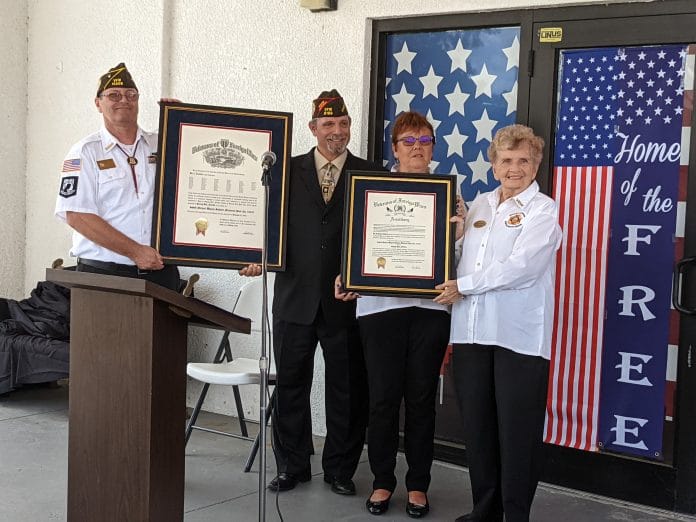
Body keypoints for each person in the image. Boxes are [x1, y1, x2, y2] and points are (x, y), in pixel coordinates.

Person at [240, 89, 382, 495]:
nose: (337, 132)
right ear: (313, 128)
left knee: (347, 390)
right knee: (289, 387)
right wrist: (253, 255)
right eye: (329, 124)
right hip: (294, 299)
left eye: (343, 123)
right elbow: (260, 223)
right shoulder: (283, 170)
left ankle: (340, 470)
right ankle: (292, 465)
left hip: (346, 303)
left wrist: (363, 279)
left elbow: (377, 240)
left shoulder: (371, 173)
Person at [336, 111, 463, 518]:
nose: (417, 149)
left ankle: (418, 484)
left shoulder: (451, 197)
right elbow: (355, 243)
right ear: (394, 148)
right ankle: (383, 480)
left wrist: (457, 237)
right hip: (379, 310)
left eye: (425, 142)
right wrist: (348, 274)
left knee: (422, 400)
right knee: (383, 400)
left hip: (429, 310)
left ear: (433, 148)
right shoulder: (371, 190)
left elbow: (459, 259)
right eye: (408, 141)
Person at [435, 124, 562, 522]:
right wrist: (451, 241)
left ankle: (514, 514)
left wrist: (465, 286)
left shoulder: (544, 210)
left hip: (518, 338)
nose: (514, 168)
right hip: (471, 334)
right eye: (506, 160)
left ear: (536, 164)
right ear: (493, 165)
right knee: (479, 429)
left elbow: (522, 268)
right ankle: (484, 509)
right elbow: (462, 259)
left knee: (517, 433)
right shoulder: (478, 206)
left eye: (524, 160)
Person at [55, 63, 180, 291]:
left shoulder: (162, 144)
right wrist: (135, 252)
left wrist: (182, 121)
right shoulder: (86, 152)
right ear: (98, 103)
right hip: (104, 275)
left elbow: (197, 169)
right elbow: (76, 215)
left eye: (131, 95)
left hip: (161, 275)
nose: (123, 100)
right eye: (114, 95)